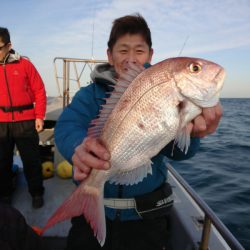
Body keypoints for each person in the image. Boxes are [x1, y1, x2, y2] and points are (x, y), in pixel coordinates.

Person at [54, 14, 223, 250]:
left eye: (139, 51)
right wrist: (77, 147)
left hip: (147, 216)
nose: (131, 59)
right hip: (97, 208)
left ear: (150, 55)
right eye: (123, 51)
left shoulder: (168, 91)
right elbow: (66, 126)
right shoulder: (90, 94)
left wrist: (193, 136)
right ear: (110, 55)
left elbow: (180, 153)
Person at [0, 27, 46, 209]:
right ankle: (4, 195)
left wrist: (39, 116)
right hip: (1, 124)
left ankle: (36, 192)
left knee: (31, 160)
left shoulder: (25, 64)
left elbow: (39, 90)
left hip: (25, 121)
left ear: (9, 45)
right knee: (2, 162)